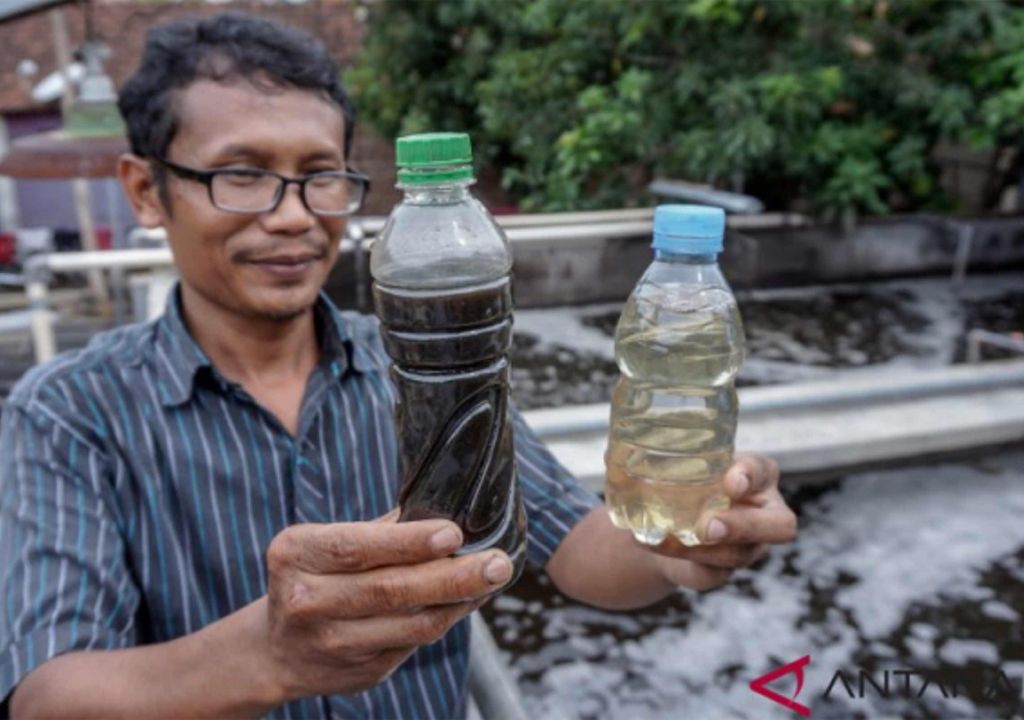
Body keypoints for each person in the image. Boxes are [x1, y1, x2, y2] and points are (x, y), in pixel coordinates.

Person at [0, 12, 797, 719]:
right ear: (146, 189)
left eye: (321, 177)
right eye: (241, 174)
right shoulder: (69, 411)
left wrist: (685, 540)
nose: (291, 217)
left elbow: (582, 550)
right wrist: (270, 656)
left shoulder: (414, 357)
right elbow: (47, 694)